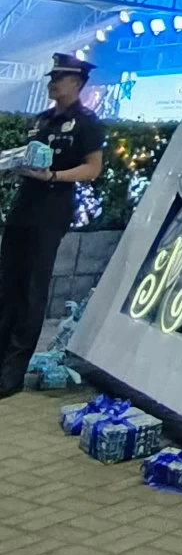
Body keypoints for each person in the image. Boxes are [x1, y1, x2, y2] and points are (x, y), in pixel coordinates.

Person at [0, 53, 105, 397]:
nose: (52, 83)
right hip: (23, 209)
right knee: (6, 288)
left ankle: (11, 374)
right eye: (51, 77)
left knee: (32, 292)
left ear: (76, 83)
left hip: (50, 212)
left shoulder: (87, 123)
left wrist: (54, 175)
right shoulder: (41, 120)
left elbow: (92, 170)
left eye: (59, 78)